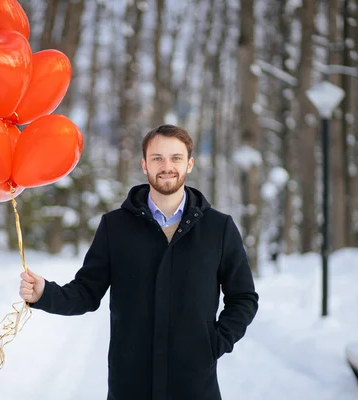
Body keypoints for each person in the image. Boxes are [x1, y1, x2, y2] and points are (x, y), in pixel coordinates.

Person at [19, 124, 259, 400]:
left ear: (190, 164)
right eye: (157, 158)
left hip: (194, 385)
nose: (166, 166)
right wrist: (44, 293)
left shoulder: (219, 228)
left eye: (176, 158)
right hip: (130, 383)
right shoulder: (115, 226)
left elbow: (243, 297)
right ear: (144, 165)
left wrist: (214, 342)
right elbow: (86, 292)